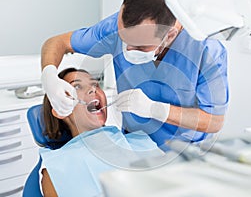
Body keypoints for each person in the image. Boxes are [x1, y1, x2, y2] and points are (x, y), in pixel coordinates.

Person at [41, 0, 229, 150]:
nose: (127, 50)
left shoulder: (206, 50)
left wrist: (157, 110)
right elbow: (57, 43)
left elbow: (214, 121)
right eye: (124, 40)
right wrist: (49, 76)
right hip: (134, 146)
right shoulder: (115, 27)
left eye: (139, 46)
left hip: (187, 152)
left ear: (169, 35)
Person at [40, 68, 164, 197]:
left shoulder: (141, 141)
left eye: (95, 85)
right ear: (60, 109)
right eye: (76, 86)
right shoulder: (56, 168)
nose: (93, 89)